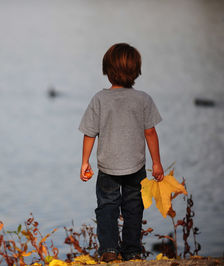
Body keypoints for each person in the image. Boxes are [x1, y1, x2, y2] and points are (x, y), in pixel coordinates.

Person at [78, 43, 164, 262]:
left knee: (107, 207)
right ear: (136, 71)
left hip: (107, 167)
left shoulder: (99, 99)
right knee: (134, 209)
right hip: (136, 167)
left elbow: (89, 133)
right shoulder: (143, 99)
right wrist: (156, 164)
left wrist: (84, 162)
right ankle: (133, 251)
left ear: (107, 70)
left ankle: (109, 249)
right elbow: (151, 132)